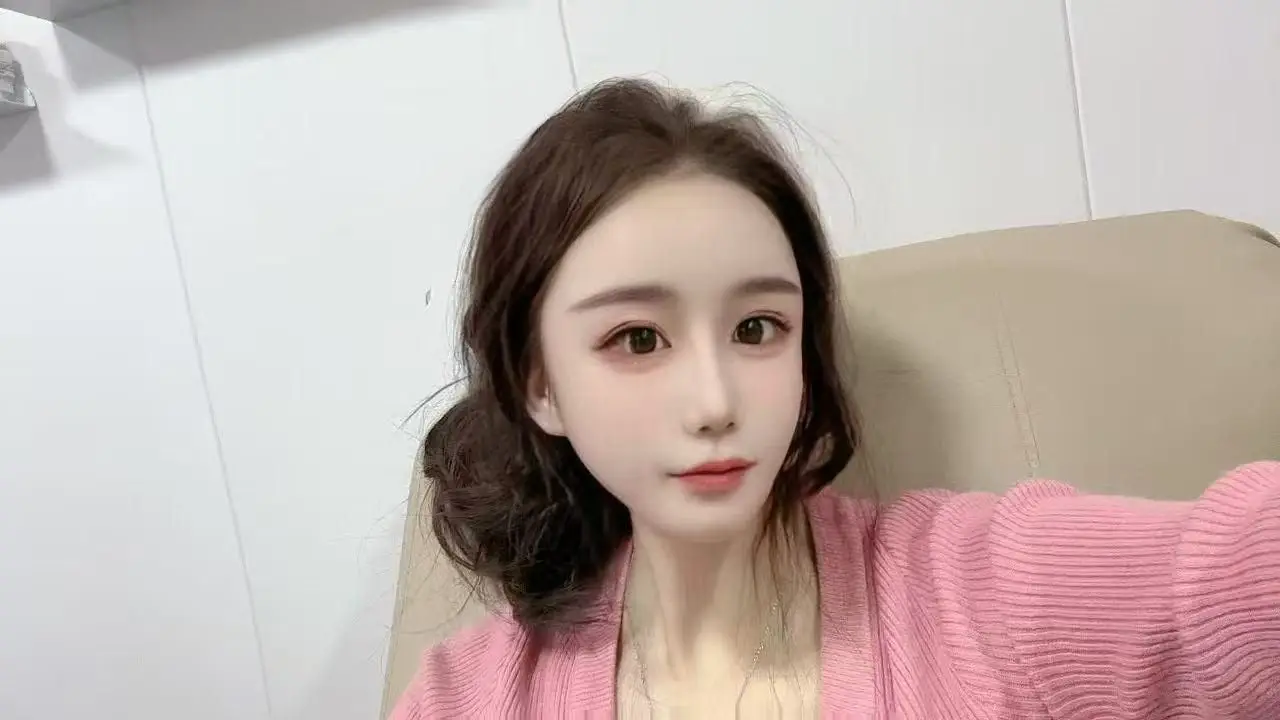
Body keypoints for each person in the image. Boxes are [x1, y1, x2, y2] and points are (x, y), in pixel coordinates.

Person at [390, 78, 1280, 719]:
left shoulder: (973, 591)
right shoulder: (469, 698)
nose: (715, 402)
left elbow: (1225, 577)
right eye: (638, 339)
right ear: (540, 384)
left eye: (757, 329)